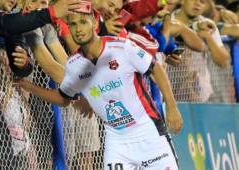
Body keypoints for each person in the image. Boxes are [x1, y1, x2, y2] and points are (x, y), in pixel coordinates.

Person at [16, 11, 183, 169]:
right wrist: (29, 87)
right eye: (73, 24)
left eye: (83, 22)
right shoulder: (74, 65)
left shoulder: (122, 47)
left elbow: (155, 68)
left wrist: (172, 107)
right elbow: (63, 97)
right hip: (117, 142)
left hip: (149, 132)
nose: (78, 29)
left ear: (95, 23)